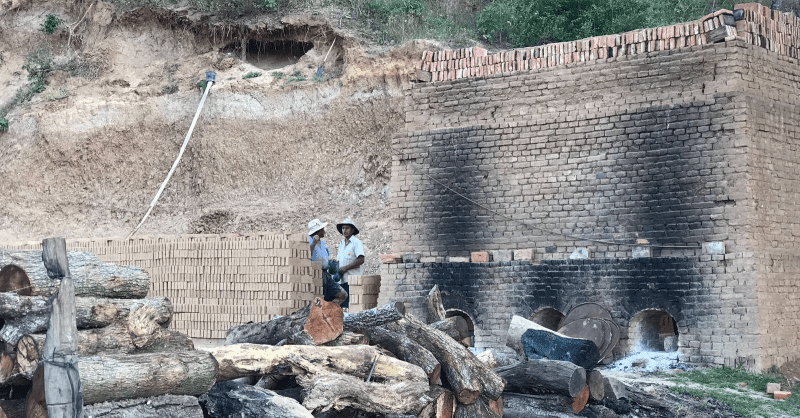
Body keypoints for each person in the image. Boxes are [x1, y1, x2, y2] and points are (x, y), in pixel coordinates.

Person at [308, 219, 347, 304]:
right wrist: (314, 242)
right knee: (320, 299)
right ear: (318, 231)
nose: (324, 231)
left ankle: (328, 310)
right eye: (322, 229)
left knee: (342, 294)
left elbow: (327, 257)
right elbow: (306, 255)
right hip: (315, 274)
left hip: (326, 275)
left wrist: (331, 262)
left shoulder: (323, 243)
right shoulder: (309, 240)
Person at [336, 217, 365, 310]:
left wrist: (346, 268)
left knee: (352, 306)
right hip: (342, 280)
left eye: (347, 228)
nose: (344, 230)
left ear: (352, 230)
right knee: (343, 307)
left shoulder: (356, 243)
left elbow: (361, 259)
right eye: (343, 228)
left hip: (353, 281)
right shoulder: (341, 244)